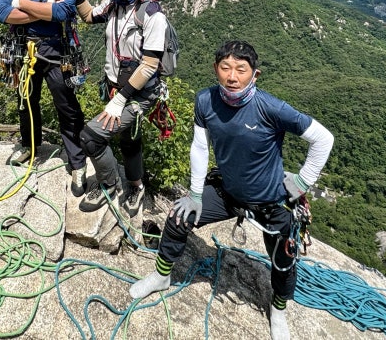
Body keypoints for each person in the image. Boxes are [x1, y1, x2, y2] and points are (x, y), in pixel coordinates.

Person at [128, 40, 334, 340]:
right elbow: (200, 147)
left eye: (241, 69)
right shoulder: (205, 101)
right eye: (225, 68)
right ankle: (161, 277)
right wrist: (196, 195)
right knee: (177, 219)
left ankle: (278, 311)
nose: (232, 76)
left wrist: (302, 182)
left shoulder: (270, 108)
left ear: (255, 74)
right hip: (226, 192)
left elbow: (322, 139)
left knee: (284, 261)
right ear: (215, 69)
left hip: (269, 202)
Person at [0, 0, 87, 196]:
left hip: (58, 49)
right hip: (23, 47)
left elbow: (63, 14)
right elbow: (1, 12)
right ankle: (30, 147)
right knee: (26, 101)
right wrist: (47, 8)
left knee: (67, 107)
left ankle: (77, 161)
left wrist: (20, 3)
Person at [73, 0, 170, 216]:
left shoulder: (151, 14)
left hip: (137, 95)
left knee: (90, 137)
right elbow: (89, 15)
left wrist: (120, 99)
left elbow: (149, 65)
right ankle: (137, 186)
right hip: (116, 88)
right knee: (128, 140)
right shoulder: (114, 4)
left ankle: (111, 184)